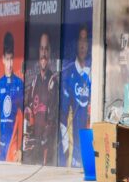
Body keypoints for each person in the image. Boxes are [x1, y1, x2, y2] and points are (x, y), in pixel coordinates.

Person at [23, 31, 59, 165]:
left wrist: (45, 138)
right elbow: (28, 110)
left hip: (46, 148)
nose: (44, 54)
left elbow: (53, 117)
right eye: (41, 49)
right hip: (34, 147)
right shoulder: (34, 82)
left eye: (46, 49)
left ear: (50, 53)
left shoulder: (52, 82)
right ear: (38, 52)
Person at [0, 31, 24, 162]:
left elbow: (24, 117)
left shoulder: (19, 84)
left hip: (13, 144)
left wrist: (21, 148)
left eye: (12, 59)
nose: (9, 64)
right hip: (0, 144)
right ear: (3, 59)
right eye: (7, 59)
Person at [60, 25, 92, 168]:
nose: (83, 45)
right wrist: (66, 149)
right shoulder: (68, 73)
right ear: (76, 44)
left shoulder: (94, 71)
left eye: (86, 41)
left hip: (92, 147)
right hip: (75, 158)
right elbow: (63, 116)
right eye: (80, 41)